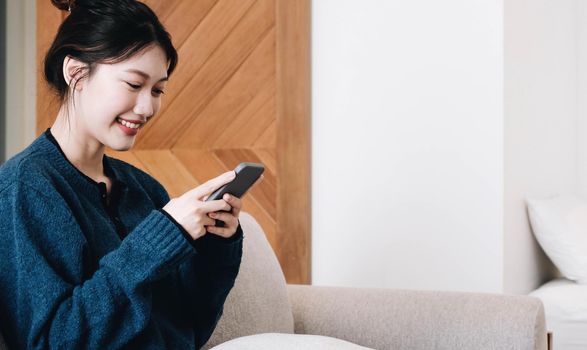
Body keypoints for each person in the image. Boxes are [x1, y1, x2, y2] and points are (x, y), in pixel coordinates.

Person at [0, 0, 253, 348]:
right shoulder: (25, 188)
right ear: (75, 73)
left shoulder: (143, 189)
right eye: (134, 85)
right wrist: (158, 240)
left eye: (158, 90)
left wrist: (216, 248)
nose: (148, 107)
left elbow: (190, 329)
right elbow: (54, 340)